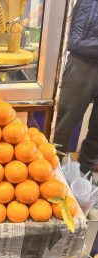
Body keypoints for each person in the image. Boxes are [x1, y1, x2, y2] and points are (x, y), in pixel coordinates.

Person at [53, 0, 98, 174]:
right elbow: (74, 41)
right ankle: (50, 171)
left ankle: (84, 174)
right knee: (62, 127)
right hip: (82, 65)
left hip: (84, 61)